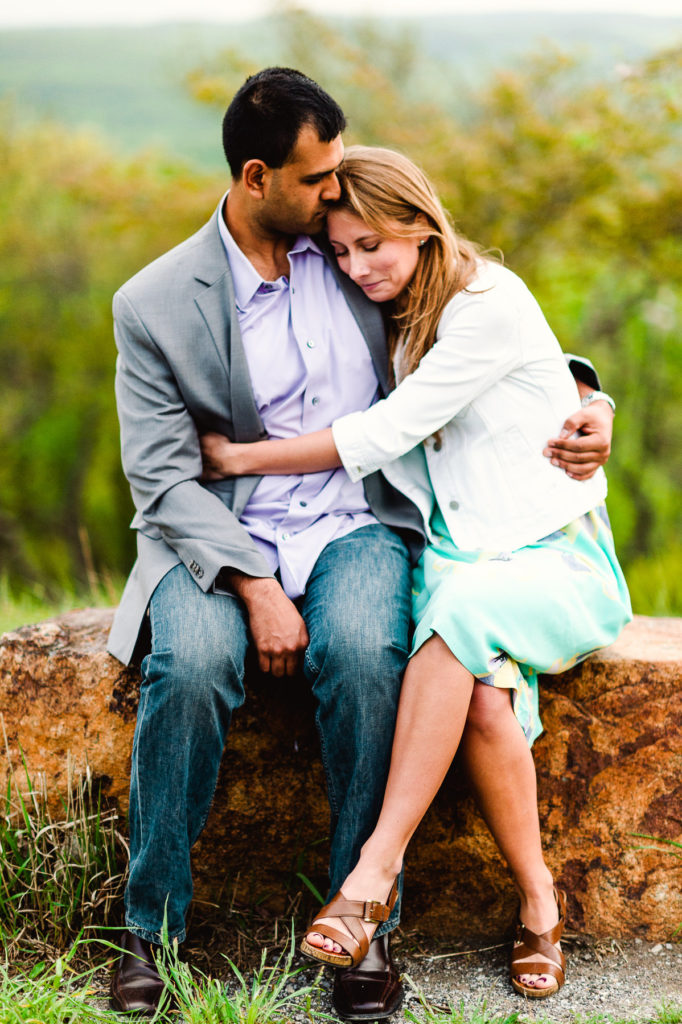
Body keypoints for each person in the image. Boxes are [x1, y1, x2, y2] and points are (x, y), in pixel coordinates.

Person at [108, 65, 613, 1017]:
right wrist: (253, 583)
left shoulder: (354, 260)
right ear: (257, 176)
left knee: (366, 651)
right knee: (190, 662)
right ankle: (151, 928)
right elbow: (163, 476)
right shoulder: (157, 301)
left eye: (341, 175)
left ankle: (365, 927)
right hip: (222, 535)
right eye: (316, 178)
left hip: (356, 519)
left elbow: (480, 324)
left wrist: (589, 398)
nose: (335, 193)